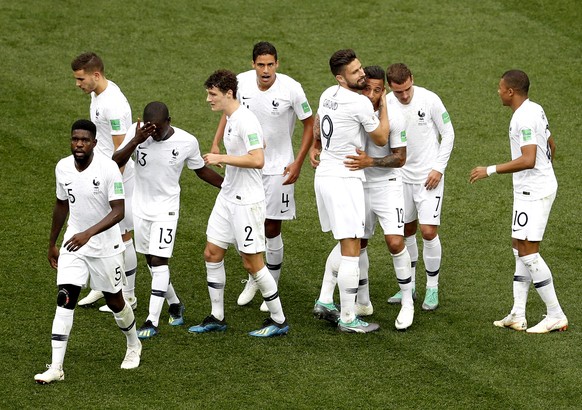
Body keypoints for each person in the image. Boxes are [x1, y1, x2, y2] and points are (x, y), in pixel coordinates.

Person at [35, 119, 141, 384]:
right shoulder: (62, 168)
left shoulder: (108, 169)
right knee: (64, 298)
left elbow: (119, 211)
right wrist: (52, 243)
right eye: (75, 139)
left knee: (115, 301)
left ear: (94, 142)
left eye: (84, 140)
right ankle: (56, 367)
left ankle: (133, 344)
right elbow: (61, 204)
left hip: (105, 247)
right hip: (74, 244)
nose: (79, 144)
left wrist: (88, 234)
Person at [210, 42, 314, 312]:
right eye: (260, 64)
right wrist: (216, 142)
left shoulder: (292, 88)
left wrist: (298, 162)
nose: (265, 70)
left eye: (270, 64)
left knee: (271, 227)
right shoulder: (242, 83)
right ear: (253, 64)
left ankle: (272, 283)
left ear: (277, 64)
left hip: (279, 168)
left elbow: (309, 124)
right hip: (246, 167)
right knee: (250, 226)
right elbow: (228, 111)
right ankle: (255, 276)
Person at [188, 69, 289, 337]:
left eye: (212, 95)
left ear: (228, 93)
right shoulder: (232, 117)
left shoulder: (245, 120)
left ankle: (279, 320)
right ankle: (217, 316)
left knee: (252, 263)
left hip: (248, 202)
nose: (208, 100)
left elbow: (258, 159)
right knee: (212, 253)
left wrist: (222, 159)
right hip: (228, 198)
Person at [312, 66, 414, 330]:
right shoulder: (355, 105)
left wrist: (371, 161)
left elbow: (400, 158)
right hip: (357, 185)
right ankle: (359, 302)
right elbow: (322, 119)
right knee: (355, 243)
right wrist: (316, 145)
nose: (370, 93)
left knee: (393, 242)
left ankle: (407, 302)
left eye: (377, 90)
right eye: (366, 87)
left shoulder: (394, 118)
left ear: (384, 92)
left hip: (387, 186)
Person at [113, 102, 223, 339]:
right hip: (141, 209)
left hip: (167, 210)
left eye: (159, 129)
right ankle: (174, 303)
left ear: (169, 121)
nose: (155, 134)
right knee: (151, 262)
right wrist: (136, 140)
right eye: (150, 129)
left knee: (160, 261)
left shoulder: (186, 141)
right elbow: (115, 161)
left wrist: (226, 185)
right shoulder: (137, 133)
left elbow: (200, 169)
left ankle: (151, 321)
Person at [470, 70, 567, 333]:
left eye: (500, 88)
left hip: (533, 192)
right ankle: (518, 313)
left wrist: (489, 170)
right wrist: (546, 172)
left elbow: (529, 159)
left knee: (528, 250)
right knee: (518, 247)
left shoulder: (523, 118)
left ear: (511, 92)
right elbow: (550, 144)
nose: (498, 92)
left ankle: (555, 314)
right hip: (534, 187)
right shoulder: (535, 109)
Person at [71, 52, 138, 312]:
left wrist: (109, 184)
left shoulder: (115, 105)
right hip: (100, 172)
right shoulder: (97, 94)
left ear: (95, 75)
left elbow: (123, 149)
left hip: (117, 177)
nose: (78, 84)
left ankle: (128, 295)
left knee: (123, 235)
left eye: (80, 79)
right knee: (99, 230)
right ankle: (102, 285)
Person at [385, 63, 455, 311]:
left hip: (429, 177)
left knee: (428, 231)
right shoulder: (386, 103)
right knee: (406, 231)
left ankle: (432, 288)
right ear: (390, 88)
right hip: (401, 177)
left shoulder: (430, 99)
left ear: (412, 79)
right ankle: (410, 285)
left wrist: (438, 168)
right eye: (398, 92)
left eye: (407, 89)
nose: (404, 96)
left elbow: (448, 134)